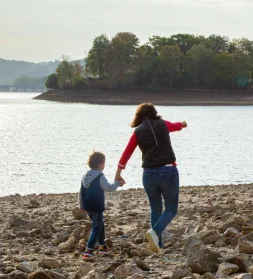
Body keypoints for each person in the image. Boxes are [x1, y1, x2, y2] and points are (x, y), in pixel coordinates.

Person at [114, 103, 187, 254]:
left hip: (148, 175)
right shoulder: (162, 124)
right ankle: (154, 233)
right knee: (171, 209)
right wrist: (183, 124)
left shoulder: (137, 132)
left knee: (155, 210)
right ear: (154, 113)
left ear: (138, 116)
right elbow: (175, 126)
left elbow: (126, 153)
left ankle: (157, 246)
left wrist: (118, 174)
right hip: (168, 171)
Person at [79, 151, 124, 261]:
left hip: (87, 205)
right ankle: (88, 250)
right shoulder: (99, 176)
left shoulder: (85, 176)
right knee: (96, 227)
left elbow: (81, 192)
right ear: (100, 164)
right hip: (96, 205)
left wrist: (81, 205)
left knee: (100, 224)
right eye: (104, 163)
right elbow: (109, 188)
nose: (104, 165)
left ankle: (102, 246)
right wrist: (117, 183)